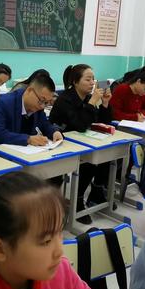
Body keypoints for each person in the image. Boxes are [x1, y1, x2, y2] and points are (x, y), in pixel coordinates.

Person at [49, 64, 113, 224]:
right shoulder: (65, 99)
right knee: (85, 162)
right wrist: (92, 103)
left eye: (93, 79)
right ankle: (63, 205)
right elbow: (79, 124)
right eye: (88, 79)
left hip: (81, 141)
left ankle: (80, 199)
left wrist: (104, 103)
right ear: (76, 82)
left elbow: (102, 123)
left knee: (96, 160)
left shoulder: (86, 97)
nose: (92, 83)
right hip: (58, 141)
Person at [0, 74, 62, 150]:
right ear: (29, 90)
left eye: (47, 103)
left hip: (20, 154)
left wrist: (54, 132)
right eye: (42, 101)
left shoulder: (37, 107)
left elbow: (44, 124)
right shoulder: (5, 102)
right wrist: (28, 139)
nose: (43, 106)